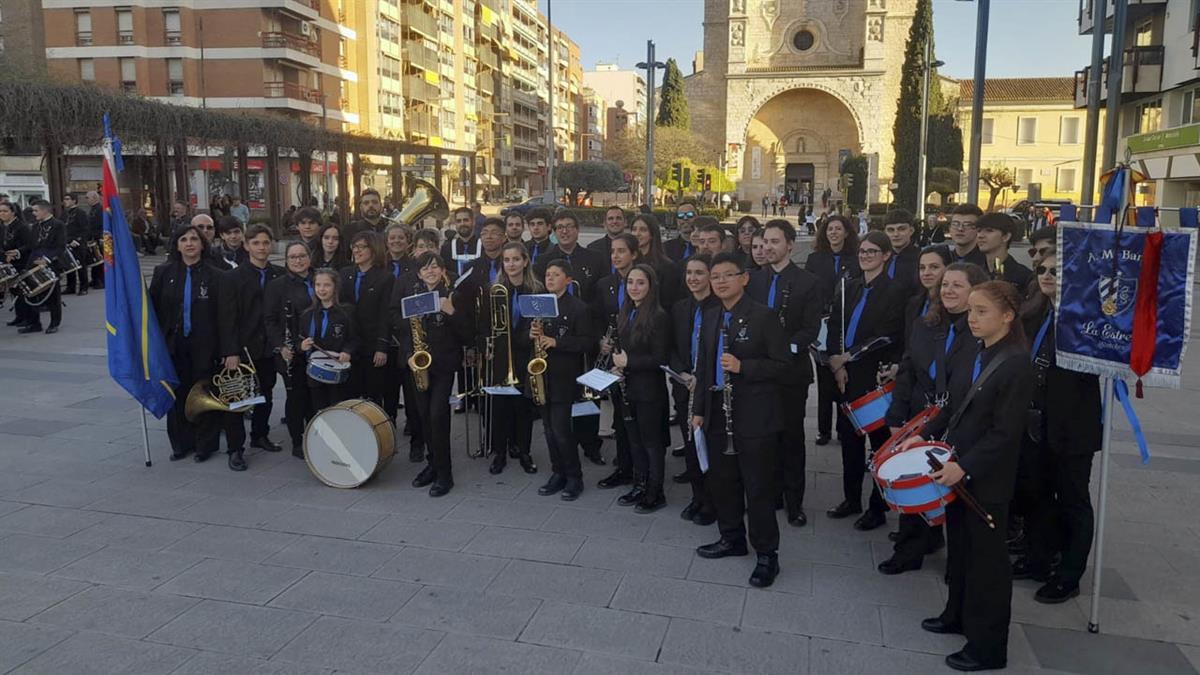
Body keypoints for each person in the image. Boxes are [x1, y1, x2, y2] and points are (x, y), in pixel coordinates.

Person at [914, 281, 1033, 672]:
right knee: (962, 552)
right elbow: (953, 407)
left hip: (985, 478)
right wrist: (923, 435)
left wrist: (965, 467)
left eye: (982, 311)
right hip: (957, 469)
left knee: (988, 566)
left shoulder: (1016, 363)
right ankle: (957, 615)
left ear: (1008, 316)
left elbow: (1005, 432)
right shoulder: (975, 351)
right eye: (971, 311)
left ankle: (988, 648)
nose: (973, 318)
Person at [691, 252, 792, 588]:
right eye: (715, 276)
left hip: (755, 416)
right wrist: (698, 410)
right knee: (723, 481)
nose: (720, 281)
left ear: (744, 278)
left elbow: (784, 366)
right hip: (718, 412)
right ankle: (731, 537)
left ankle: (767, 554)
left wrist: (744, 366)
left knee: (757, 487)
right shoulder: (710, 315)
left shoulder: (764, 316)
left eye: (727, 275)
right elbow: (704, 367)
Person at [880, 261, 987, 575]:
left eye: (957, 285)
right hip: (921, 415)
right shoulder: (924, 324)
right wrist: (896, 414)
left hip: (960, 422)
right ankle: (909, 550)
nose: (948, 290)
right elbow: (908, 370)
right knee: (912, 478)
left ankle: (957, 563)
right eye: (945, 285)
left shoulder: (981, 331)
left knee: (955, 493)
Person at [1011, 253, 1100, 604]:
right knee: (1038, 493)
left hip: (1072, 424)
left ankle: (1069, 575)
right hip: (1035, 420)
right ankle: (1038, 557)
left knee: (1073, 499)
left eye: (1056, 270)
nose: (1047, 275)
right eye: (1042, 270)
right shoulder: (1035, 313)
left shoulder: (1085, 318)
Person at [824, 230, 906, 531]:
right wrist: (836, 363)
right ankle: (851, 499)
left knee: (880, 444)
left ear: (886, 255)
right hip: (845, 375)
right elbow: (834, 325)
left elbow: (889, 334)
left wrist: (848, 356)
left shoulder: (895, 291)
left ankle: (877, 507)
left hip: (874, 375)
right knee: (849, 441)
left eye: (873, 252)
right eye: (862, 251)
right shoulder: (850, 286)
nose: (866, 256)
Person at [748, 220, 824, 527]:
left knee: (791, 438)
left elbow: (810, 329)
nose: (768, 247)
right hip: (757, 373)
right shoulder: (753, 279)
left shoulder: (809, 282)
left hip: (791, 373)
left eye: (774, 242)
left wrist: (782, 350)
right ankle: (769, 494)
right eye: (765, 241)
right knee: (763, 439)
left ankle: (794, 502)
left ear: (790, 245)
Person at [149, 224, 235, 466]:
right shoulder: (163, 273)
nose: (189, 243)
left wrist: (229, 350)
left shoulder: (217, 276)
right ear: (177, 245)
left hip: (205, 347)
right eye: (184, 239)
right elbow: (153, 311)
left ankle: (205, 444)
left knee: (205, 393)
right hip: (173, 346)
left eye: (194, 239)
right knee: (177, 395)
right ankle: (181, 444)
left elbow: (226, 317)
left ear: (202, 244)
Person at [395, 252, 471, 497]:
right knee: (424, 417)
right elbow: (404, 330)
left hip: (444, 366)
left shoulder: (453, 296)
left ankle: (445, 474)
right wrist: (409, 354)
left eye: (435, 267)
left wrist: (452, 312)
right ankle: (432, 464)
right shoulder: (413, 298)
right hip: (419, 365)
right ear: (419, 274)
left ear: (443, 271)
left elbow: (467, 333)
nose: (430, 271)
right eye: (425, 268)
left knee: (438, 416)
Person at [539, 211, 606, 465]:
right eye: (559, 227)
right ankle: (562, 463)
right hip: (555, 351)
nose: (564, 231)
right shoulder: (544, 260)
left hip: (584, 331)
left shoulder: (595, 258)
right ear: (554, 231)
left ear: (577, 230)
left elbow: (600, 298)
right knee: (555, 425)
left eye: (569, 226)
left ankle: (590, 445)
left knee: (588, 397)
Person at [603, 263, 670, 512]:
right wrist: (616, 365)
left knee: (651, 443)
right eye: (630, 282)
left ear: (651, 286)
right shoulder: (626, 312)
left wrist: (628, 363)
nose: (634, 287)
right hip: (628, 387)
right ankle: (640, 485)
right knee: (635, 441)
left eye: (640, 283)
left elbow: (660, 358)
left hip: (649, 391)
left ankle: (655, 491)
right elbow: (622, 352)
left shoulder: (659, 317)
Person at [219, 224, 286, 468]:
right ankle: (235, 448)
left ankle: (260, 435)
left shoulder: (280, 274)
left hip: (269, 347)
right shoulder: (231, 278)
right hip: (242, 348)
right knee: (238, 398)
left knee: (265, 393)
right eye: (256, 243)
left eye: (265, 242)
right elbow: (227, 318)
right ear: (246, 246)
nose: (261, 247)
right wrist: (230, 351)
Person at [532, 259, 594, 501]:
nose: (550, 278)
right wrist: (531, 335)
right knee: (548, 429)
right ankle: (557, 472)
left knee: (561, 430)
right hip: (542, 376)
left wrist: (557, 342)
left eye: (556, 274)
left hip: (563, 377)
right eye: (548, 274)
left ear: (568, 280)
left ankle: (574, 477)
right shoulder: (538, 304)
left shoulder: (579, 308)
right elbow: (524, 336)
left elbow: (587, 342)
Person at [484, 242, 541, 475]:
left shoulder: (536, 290)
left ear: (525, 261)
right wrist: (486, 346)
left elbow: (536, 323)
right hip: (499, 357)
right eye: (506, 260)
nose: (511, 264)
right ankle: (499, 452)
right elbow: (485, 324)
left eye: (516, 259)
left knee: (523, 408)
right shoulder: (494, 290)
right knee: (500, 408)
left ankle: (524, 451)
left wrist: (528, 336)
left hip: (525, 356)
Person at [670, 253, 719, 525]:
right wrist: (682, 373)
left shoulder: (720, 307)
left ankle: (713, 502)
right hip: (685, 385)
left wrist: (702, 377)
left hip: (709, 389)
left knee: (709, 446)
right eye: (689, 273)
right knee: (690, 445)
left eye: (699, 273)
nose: (693, 278)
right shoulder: (679, 308)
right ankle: (697, 497)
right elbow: (672, 348)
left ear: (710, 276)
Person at [806, 215, 860, 446]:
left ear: (846, 232)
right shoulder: (815, 259)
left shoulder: (856, 258)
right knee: (824, 376)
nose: (834, 233)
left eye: (838, 229)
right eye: (830, 229)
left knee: (843, 376)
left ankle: (842, 427)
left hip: (845, 323)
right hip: (821, 323)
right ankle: (823, 430)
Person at [264, 241, 316, 457]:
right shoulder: (277, 286)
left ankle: (316, 436)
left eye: (302, 256)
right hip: (291, 351)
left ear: (309, 258)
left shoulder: (320, 278)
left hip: (318, 348)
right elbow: (270, 320)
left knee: (315, 396)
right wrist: (281, 346)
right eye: (293, 257)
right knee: (296, 397)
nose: (298, 260)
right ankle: (298, 441)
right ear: (286, 260)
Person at [384, 223, 423, 461]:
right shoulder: (381, 266)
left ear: (408, 242)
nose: (396, 241)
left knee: (413, 395)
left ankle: (415, 434)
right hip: (388, 336)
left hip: (412, 338)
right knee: (390, 390)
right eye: (392, 238)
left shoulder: (416, 268)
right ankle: (387, 431)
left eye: (401, 238)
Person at [340, 231, 394, 403]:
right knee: (349, 395)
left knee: (373, 395)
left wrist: (382, 347)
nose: (356, 251)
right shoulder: (345, 273)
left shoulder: (385, 278)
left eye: (361, 247)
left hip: (372, 344)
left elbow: (385, 314)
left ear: (374, 249)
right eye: (354, 246)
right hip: (349, 345)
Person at [300, 269, 357, 411]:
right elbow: (299, 337)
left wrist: (347, 351)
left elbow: (355, 338)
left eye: (327, 285)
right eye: (318, 285)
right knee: (318, 409)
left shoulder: (347, 312)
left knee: (337, 409)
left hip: (338, 370)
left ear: (335, 287)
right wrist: (302, 345)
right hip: (315, 372)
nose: (321, 289)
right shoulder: (308, 314)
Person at [14, 200, 66, 334]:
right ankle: (34, 323)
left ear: (45, 210)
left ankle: (54, 323)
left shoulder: (58, 225)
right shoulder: (35, 226)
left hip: (50, 263)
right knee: (30, 293)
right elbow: (31, 246)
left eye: (36, 210)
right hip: (33, 261)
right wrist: (18, 252)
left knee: (53, 296)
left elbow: (61, 246)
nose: (33, 213)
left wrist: (47, 259)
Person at [629, 213, 680, 310]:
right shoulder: (629, 261)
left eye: (643, 230)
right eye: (634, 229)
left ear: (652, 234)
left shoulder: (667, 266)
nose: (637, 234)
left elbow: (668, 301)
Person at [976, 213, 1034, 291]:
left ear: (1006, 236)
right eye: (979, 231)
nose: (980, 235)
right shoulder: (974, 273)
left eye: (989, 231)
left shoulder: (1024, 276)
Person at [883, 209, 920, 298]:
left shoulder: (921, 259)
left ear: (911, 230)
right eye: (891, 230)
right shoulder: (880, 258)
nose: (896, 234)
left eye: (901, 229)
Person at [61, 193, 91, 295]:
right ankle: (70, 287)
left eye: (67, 199)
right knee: (69, 266)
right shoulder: (64, 214)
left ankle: (84, 287)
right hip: (67, 242)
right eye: (64, 199)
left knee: (81, 265)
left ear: (74, 200)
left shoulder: (80, 213)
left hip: (78, 243)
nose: (65, 201)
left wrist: (78, 240)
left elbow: (85, 229)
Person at [441, 206, 480, 278]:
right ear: (455, 224)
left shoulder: (484, 246)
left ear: (473, 222)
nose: (462, 224)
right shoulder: (447, 248)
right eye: (459, 221)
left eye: (466, 220)